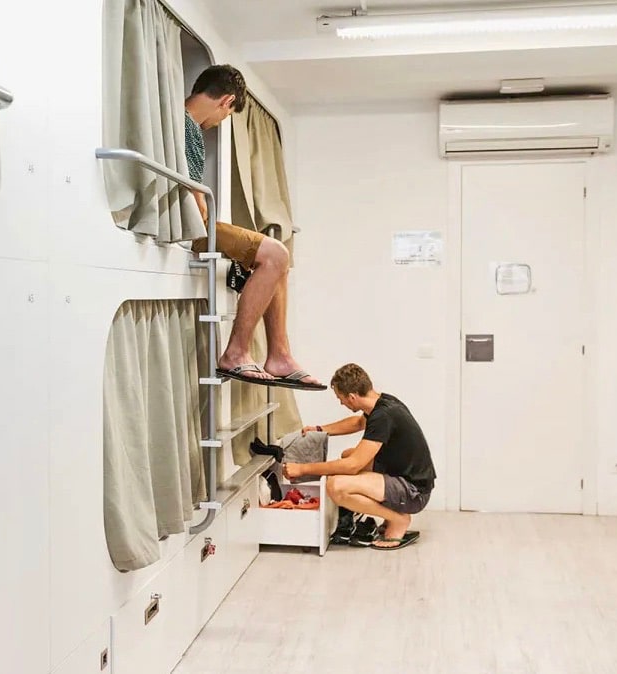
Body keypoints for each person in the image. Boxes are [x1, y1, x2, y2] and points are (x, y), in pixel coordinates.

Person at [183, 64, 324, 391]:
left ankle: (279, 354)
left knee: (279, 262)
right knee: (275, 255)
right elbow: (196, 204)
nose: (218, 123)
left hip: (196, 222)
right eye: (226, 115)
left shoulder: (181, 124)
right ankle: (236, 352)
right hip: (193, 226)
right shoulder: (187, 126)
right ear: (226, 101)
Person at [282, 363, 437, 550]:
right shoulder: (383, 402)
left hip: (414, 491)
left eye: (341, 399)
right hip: (408, 477)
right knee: (347, 455)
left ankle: (398, 519)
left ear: (352, 397)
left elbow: (352, 466)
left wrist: (302, 469)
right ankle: (367, 515)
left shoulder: (383, 416)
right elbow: (357, 423)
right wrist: (320, 429)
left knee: (336, 486)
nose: (341, 403)